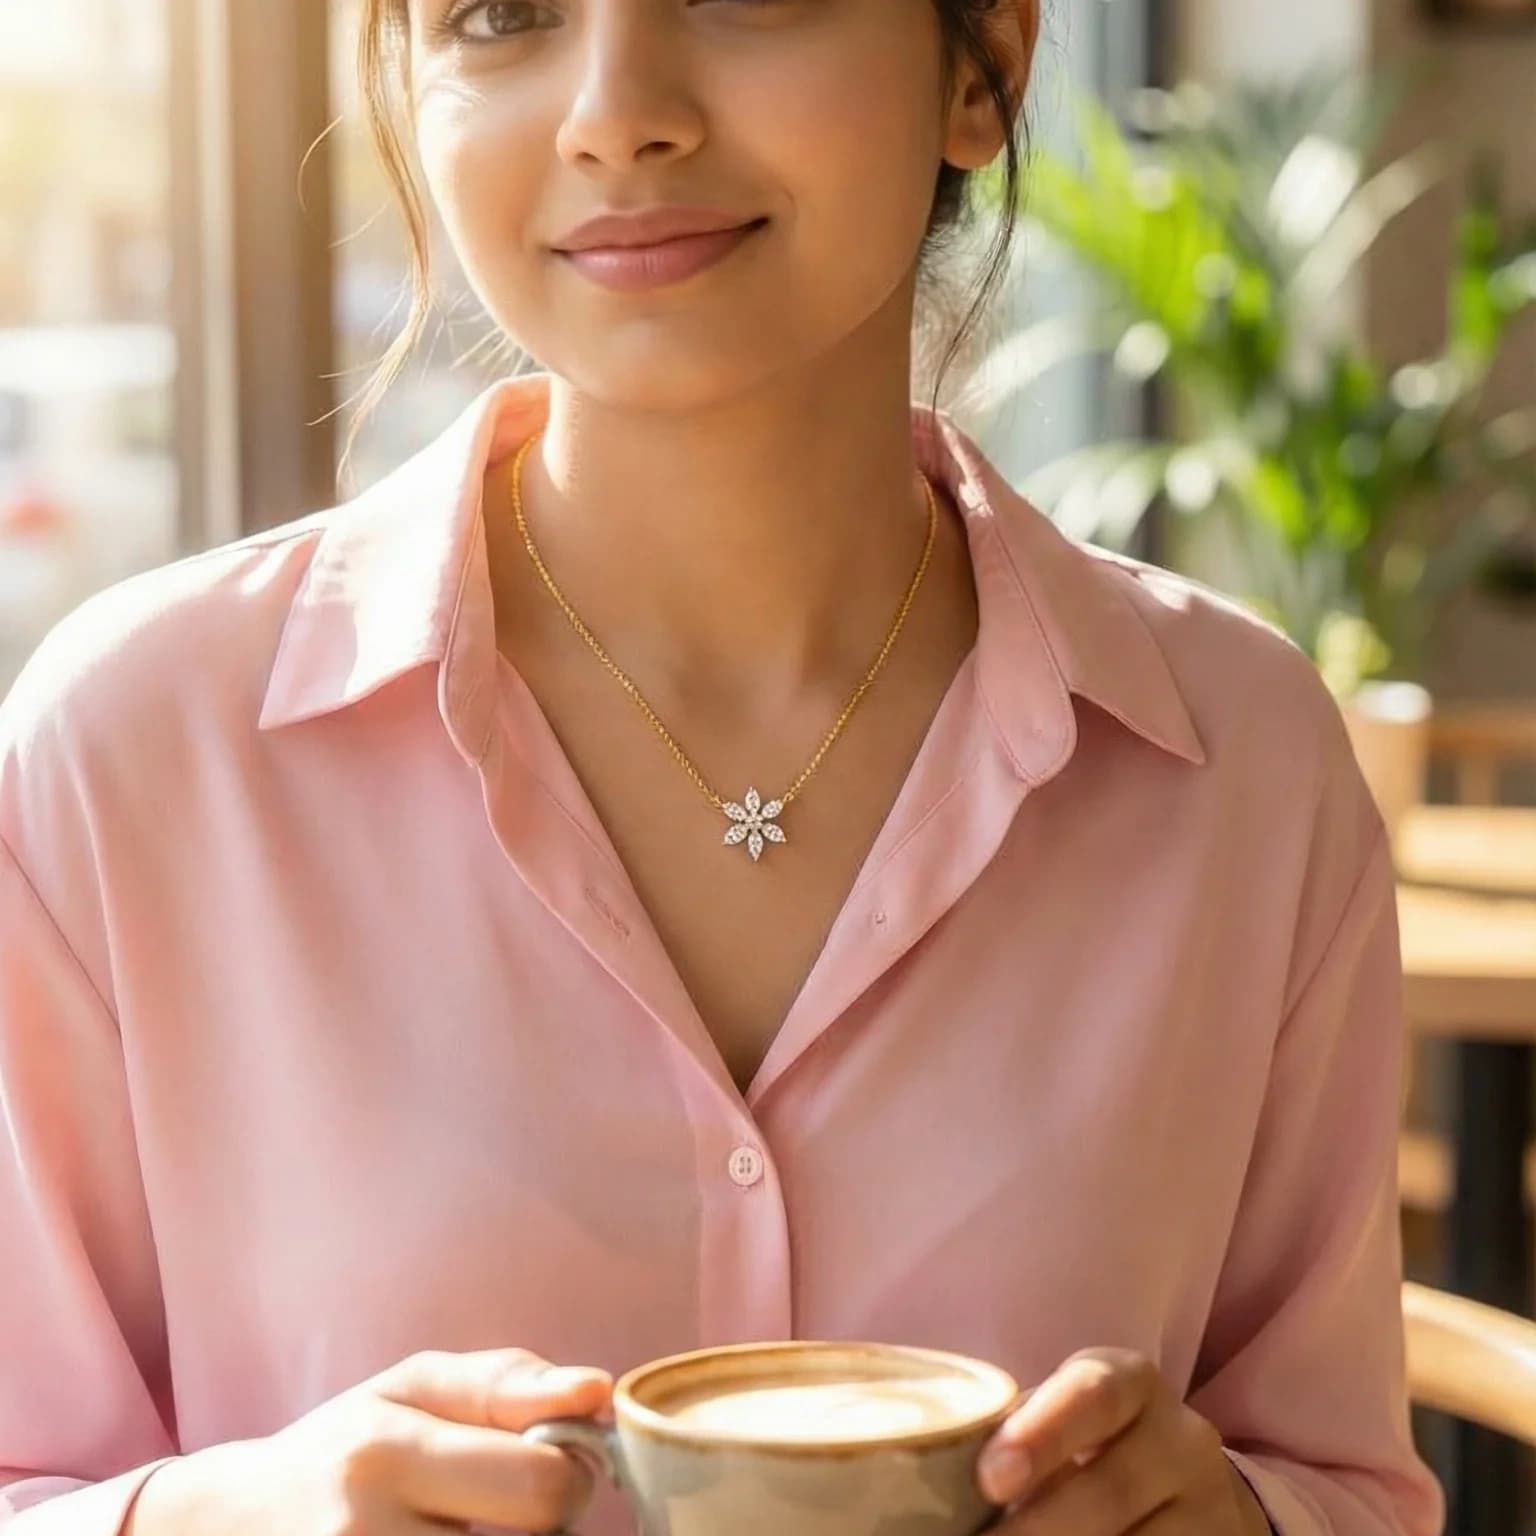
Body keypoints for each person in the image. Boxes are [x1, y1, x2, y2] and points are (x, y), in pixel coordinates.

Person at [0, 2, 1445, 1533]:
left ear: (986, 64)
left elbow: (1347, 1485)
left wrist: (1237, 1519)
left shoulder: (1245, 772)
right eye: (501, 14)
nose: (618, 112)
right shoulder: (135, 756)